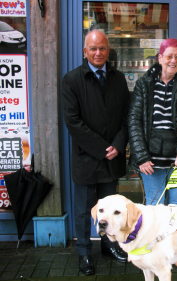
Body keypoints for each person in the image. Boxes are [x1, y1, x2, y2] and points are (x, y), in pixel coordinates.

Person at [128, 38, 177, 266]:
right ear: (160, 58)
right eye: (168, 56)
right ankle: (154, 247)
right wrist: (140, 156)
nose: (173, 60)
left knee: (175, 207)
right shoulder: (144, 83)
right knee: (153, 205)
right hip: (150, 157)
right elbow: (134, 120)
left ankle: (176, 252)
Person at [61, 29, 130, 275]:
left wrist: (118, 145)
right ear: (85, 51)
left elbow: (126, 117)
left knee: (111, 210)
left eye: (102, 48)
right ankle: (83, 253)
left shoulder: (118, 78)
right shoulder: (72, 80)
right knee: (83, 211)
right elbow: (73, 122)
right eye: (93, 48)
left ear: (108, 50)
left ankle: (109, 246)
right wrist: (103, 149)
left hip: (112, 159)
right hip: (87, 159)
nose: (98, 53)